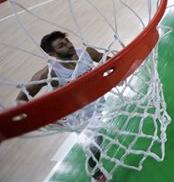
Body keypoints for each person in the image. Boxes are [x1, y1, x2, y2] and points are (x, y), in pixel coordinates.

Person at [16, 31, 108, 182]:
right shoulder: (50, 72)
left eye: (66, 41)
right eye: (61, 45)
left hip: (95, 103)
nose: (68, 44)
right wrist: (30, 118)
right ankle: (97, 174)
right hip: (74, 116)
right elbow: (22, 98)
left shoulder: (87, 53)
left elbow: (109, 61)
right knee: (95, 142)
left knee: (98, 137)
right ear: (53, 53)